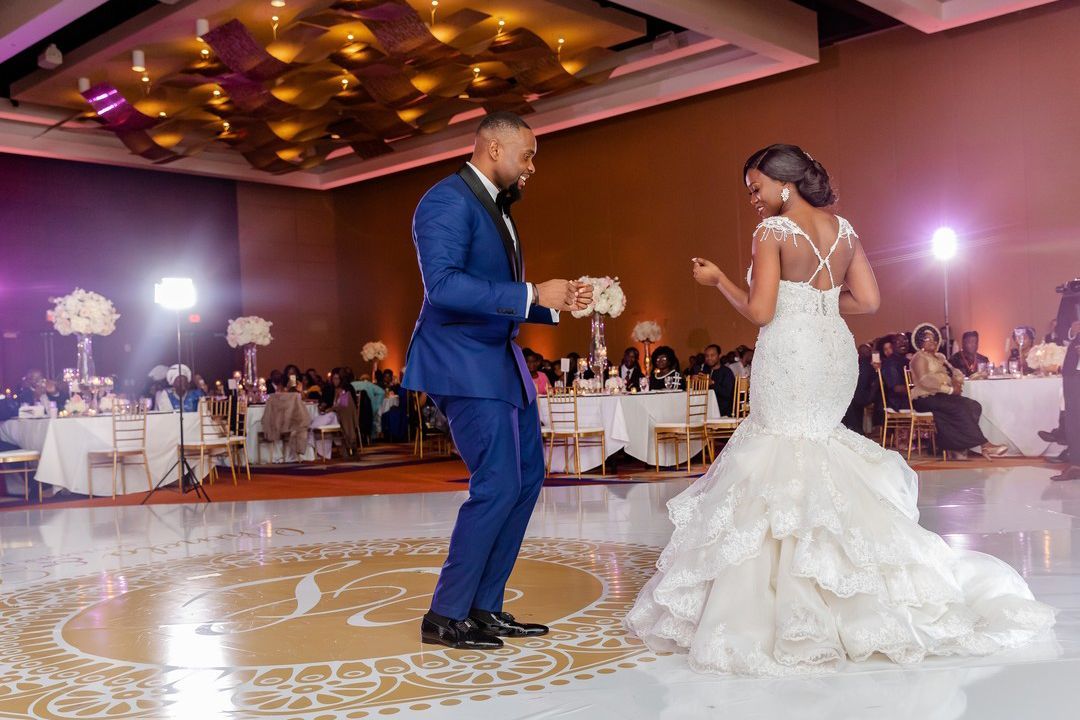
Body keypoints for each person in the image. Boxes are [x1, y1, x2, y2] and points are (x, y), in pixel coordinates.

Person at [626, 144, 1053, 676]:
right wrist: (820, 303)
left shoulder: (773, 233)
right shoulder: (843, 230)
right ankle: (844, 588)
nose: (753, 200)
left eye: (755, 188)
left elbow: (759, 311)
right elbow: (869, 302)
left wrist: (720, 282)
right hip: (833, 351)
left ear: (784, 184)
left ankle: (790, 600)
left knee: (778, 450)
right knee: (814, 446)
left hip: (791, 351)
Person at [401, 112, 592, 650]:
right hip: (462, 362)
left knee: (527, 480)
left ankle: (485, 606)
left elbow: (493, 290)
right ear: (492, 150)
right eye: (527, 155)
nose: (532, 167)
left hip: (500, 362)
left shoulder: (495, 204)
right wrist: (532, 293)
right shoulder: (445, 200)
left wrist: (551, 305)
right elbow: (443, 287)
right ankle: (445, 614)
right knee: (498, 486)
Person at [908, 323, 1006, 460]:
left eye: (934, 339)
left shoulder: (940, 357)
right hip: (924, 398)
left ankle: (957, 447)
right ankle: (985, 445)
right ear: (920, 342)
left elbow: (955, 372)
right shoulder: (918, 358)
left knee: (974, 406)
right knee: (958, 408)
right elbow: (925, 380)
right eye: (928, 339)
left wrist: (956, 381)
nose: (933, 342)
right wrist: (949, 389)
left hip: (942, 396)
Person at [1051, 321, 1080, 481]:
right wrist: (1072, 331)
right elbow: (1061, 330)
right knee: (1073, 420)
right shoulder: (1072, 299)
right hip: (1073, 371)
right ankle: (1076, 464)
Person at [699, 343, 736, 415]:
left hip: (723, 412)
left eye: (712, 355)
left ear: (719, 356)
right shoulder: (705, 371)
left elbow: (728, 393)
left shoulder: (726, 372)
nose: (709, 358)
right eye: (707, 356)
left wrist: (712, 383)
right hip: (705, 410)